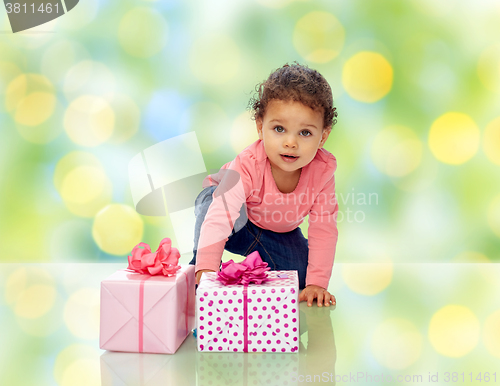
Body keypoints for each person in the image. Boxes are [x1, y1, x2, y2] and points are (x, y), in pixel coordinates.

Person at [189, 62, 339, 307]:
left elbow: (324, 229)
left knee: (301, 278)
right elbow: (220, 215)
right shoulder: (248, 164)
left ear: (323, 136)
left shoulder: (322, 172)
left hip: (277, 232)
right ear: (260, 127)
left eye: (305, 133)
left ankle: (247, 271)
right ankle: (199, 271)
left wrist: (317, 284)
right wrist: (205, 270)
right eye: (279, 129)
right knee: (212, 201)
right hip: (237, 222)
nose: (290, 142)